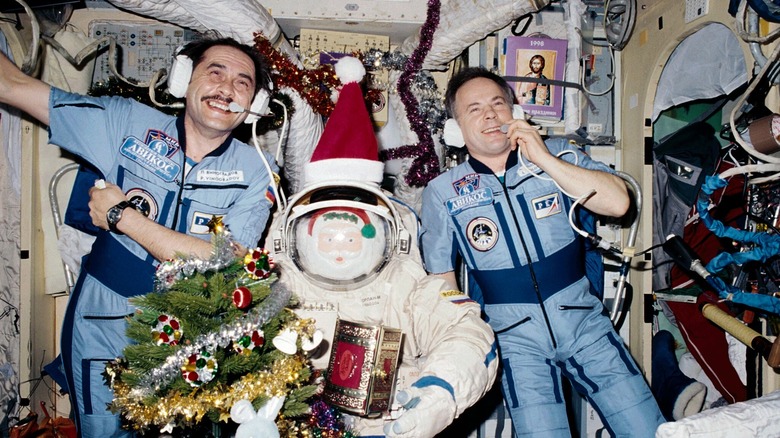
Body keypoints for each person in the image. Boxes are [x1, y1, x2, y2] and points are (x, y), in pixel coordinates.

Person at [0, 34, 278, 437]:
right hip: (102, 318)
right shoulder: (124, 121)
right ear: (185, 80)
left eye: (242, 82)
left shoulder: (257, 169)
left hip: (191, 329)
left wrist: (123, 217)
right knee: (102, 430)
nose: (226, 88)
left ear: (254, 104)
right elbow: (14, 85)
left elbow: (229, 261)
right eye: (214, 72)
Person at [419, 67, 665, 437]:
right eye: (474, 109)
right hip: (513, 341)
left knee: (647, 430)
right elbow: (442, 280)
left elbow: (618, 202)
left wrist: (545, 159)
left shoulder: (562, 157)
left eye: (498, 104)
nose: (490, 115)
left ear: (515, 112)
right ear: (455, 129)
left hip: (585, 325)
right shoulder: (442, 192)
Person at [267, 56, 498, 438]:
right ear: (296, 234)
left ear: (388, 233)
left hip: (388, 422)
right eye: (327, 232)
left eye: (353, 232)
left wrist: (431, 400)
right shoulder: (277, 286)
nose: (339, 247)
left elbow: (467, 334)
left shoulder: (404, 284)